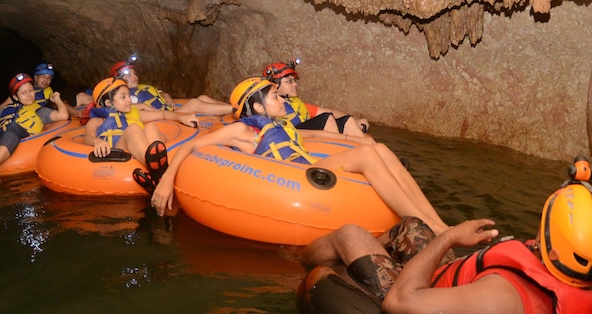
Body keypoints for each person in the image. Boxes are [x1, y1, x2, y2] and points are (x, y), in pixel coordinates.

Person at [301, 163, 592, 314]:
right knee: (411, 225)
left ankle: (293, 262)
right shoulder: (585, 270)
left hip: (417, 295)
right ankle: (362, 262)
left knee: (350, 233)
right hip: (457, 283)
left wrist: (449, 238)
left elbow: (401, 301)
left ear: (550, 241)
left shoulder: (500, 306)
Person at [149, 77, 450, 234]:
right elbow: (192, 145)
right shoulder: (241, 131)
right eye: (275, 97)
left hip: (307, 166)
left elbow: (313, 136)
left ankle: (436, 223)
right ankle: (424, 224)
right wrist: (166, 181)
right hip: (291, 179)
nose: (282, 99)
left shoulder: (280, 126)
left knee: (379, 149)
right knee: (370, 158)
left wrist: (351, 136)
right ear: (257, 107)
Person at [82, 77, 175, 193]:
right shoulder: (97, 121)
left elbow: (162, 115)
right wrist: (97, 141)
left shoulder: (133, 115)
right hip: (117, 151)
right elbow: (87, 138)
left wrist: (183, 117)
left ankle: (157, 172)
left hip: (136, 151)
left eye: (129, 96)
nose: (129, 100)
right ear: (108, 103)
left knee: (150, 127)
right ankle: (161, 173)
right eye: (123, 97)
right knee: (133, 129)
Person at [263, 59, 369, 137]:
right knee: (326, 118)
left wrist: (356, 121)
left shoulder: (296, 104)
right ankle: (339, 155)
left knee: (347, 120)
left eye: (294, 80)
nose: (295, 84)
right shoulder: (270, 107)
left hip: (310, 135)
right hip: (297, 138)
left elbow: (329, 111)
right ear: (274, 85)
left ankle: (364, 154)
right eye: (289, 81)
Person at [109, 57, 232, 116]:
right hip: (163, 117)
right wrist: (142, 106)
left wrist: (166, 96)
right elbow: (121, 108)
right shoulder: (124, 96)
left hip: (169, 111)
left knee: (203, 97)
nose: (134, 77)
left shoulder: (141, 87)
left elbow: (159, 93)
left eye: (134, 74)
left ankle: (233, 108)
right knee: (194, 103)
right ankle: (236, 111)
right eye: (129, 75)